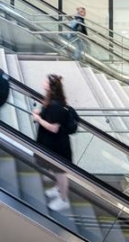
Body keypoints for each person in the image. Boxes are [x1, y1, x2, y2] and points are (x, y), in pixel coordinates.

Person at [32, 73, 74, 212]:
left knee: (60, 172)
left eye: (46, 82)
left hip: (58, 146)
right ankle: (58, 190)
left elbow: (54, 128)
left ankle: (64, 199)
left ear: (51, 87)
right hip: (54, 144)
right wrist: (41, 112)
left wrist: (38, 119)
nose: (43, 83)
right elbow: (50, 116)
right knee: (57, 171)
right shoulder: (53, 100)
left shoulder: (56, 105)